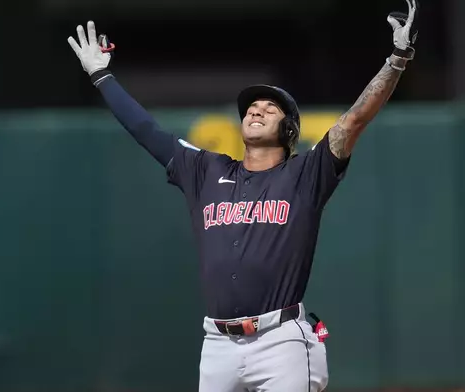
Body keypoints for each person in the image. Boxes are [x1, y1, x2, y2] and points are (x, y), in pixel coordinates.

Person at [67, 0, 417, 390]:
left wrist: (398, 58)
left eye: (270, 107)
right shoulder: (206, 170)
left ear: (289, 131)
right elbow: (147, 131)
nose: (256, 110)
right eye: (251, 106)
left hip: (280, 339)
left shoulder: (305, 174)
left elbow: (354, 120)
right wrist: (102, 76)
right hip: (217, 343)